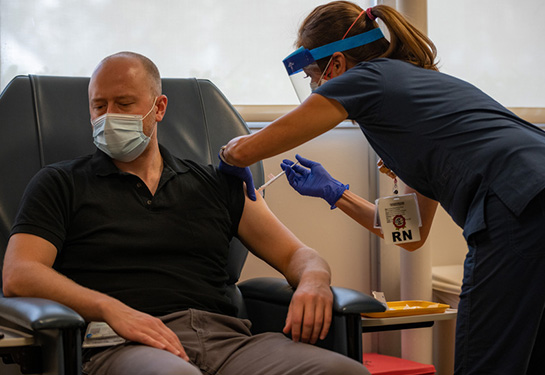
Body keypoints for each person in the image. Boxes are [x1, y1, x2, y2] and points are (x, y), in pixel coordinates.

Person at [219, 2, 545, 374]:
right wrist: (336, 193)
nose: (312, 87)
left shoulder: (366, 80)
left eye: (312, 76)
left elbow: (250, 148)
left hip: (518, 204)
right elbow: (411, 233)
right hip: (529, 198)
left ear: (336, 65)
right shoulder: (414, 93)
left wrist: (229, 153)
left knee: (484, 361)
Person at [1, 51, 370, 375]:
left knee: (342, 370)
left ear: (158, 108)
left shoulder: (216, 183)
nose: (108, 117)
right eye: (99, 106)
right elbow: (20, 274)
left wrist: (314, 280)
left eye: (124, 104)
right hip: (122, 343)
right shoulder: (60, 183)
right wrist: (110, 309)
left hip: (229, 343)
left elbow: (299, 256)